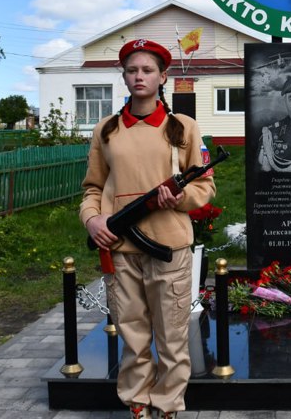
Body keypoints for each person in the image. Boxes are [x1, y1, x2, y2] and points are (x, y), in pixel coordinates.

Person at [81, 38, 215, 419]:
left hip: (169, 246)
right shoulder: (106, 129)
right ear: (124, 76)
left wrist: (181, 199)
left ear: (162, 77)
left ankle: (169, 403)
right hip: (120, 249)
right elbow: (92, 188)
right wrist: (93, 220)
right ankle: (138, 402)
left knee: (172, 335)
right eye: (132, 70)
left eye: (147, 70)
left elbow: (205, 186)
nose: (139, 76)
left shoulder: (182, 127)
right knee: (133, 334)